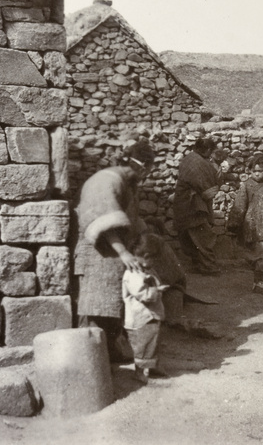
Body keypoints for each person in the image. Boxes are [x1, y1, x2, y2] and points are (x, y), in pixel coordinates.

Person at [74, 139, 156, 361]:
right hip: (98, 255)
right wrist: (123, 252)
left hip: (113, 256)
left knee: (111, 308)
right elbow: (103, 220)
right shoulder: (107, 180)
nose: (147, 175)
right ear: (141, 166)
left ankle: (108, 355)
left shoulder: (127, 183)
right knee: (96, 309)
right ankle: (91, 360)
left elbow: (131, 219)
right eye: (147, 170)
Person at [227, 154, 263, 294]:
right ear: (250, 171)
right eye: (254, 171)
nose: (257, 174)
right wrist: (234, 223)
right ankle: (258, 284)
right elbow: (240, 205)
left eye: (261, 171)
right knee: (261, 254)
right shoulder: (247, 186)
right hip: (254, 227)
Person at [123, 233, 169, 383]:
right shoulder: (133, 273)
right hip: (140, 318)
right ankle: (139, 371)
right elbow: (143, 294)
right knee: (142, 345)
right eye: (153, 258)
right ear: (146, 256)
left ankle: (153, 366)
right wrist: (158, 290)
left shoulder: (147, 270)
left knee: (153, 342)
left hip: (151, 315)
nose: (154, 262)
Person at [172, 137, 222, 275]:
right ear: (206, 150)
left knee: (190, 237)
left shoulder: (189, 158)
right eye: (211, 151)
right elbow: (209, 190)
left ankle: (198, 265)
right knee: (203, 236)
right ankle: (209, 267)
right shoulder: (198, 163)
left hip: (183, 203)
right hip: (193, 205)